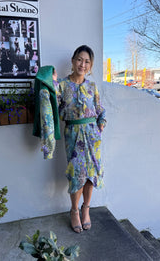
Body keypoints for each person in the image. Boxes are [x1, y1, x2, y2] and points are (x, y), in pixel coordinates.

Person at [52, 45, 106, 233]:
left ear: (90, 66)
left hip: (93, 136)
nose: (82, 64)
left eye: (87, 61)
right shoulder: (62, 85)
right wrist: (50, 84)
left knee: (91, 176)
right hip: (74, 135)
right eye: (79, 59)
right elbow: (52, 107)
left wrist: (101, 124)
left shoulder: (92, 86)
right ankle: (74, 210)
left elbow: (100, 110)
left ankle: (86, 209)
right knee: (77, 176)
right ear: (73, 60)